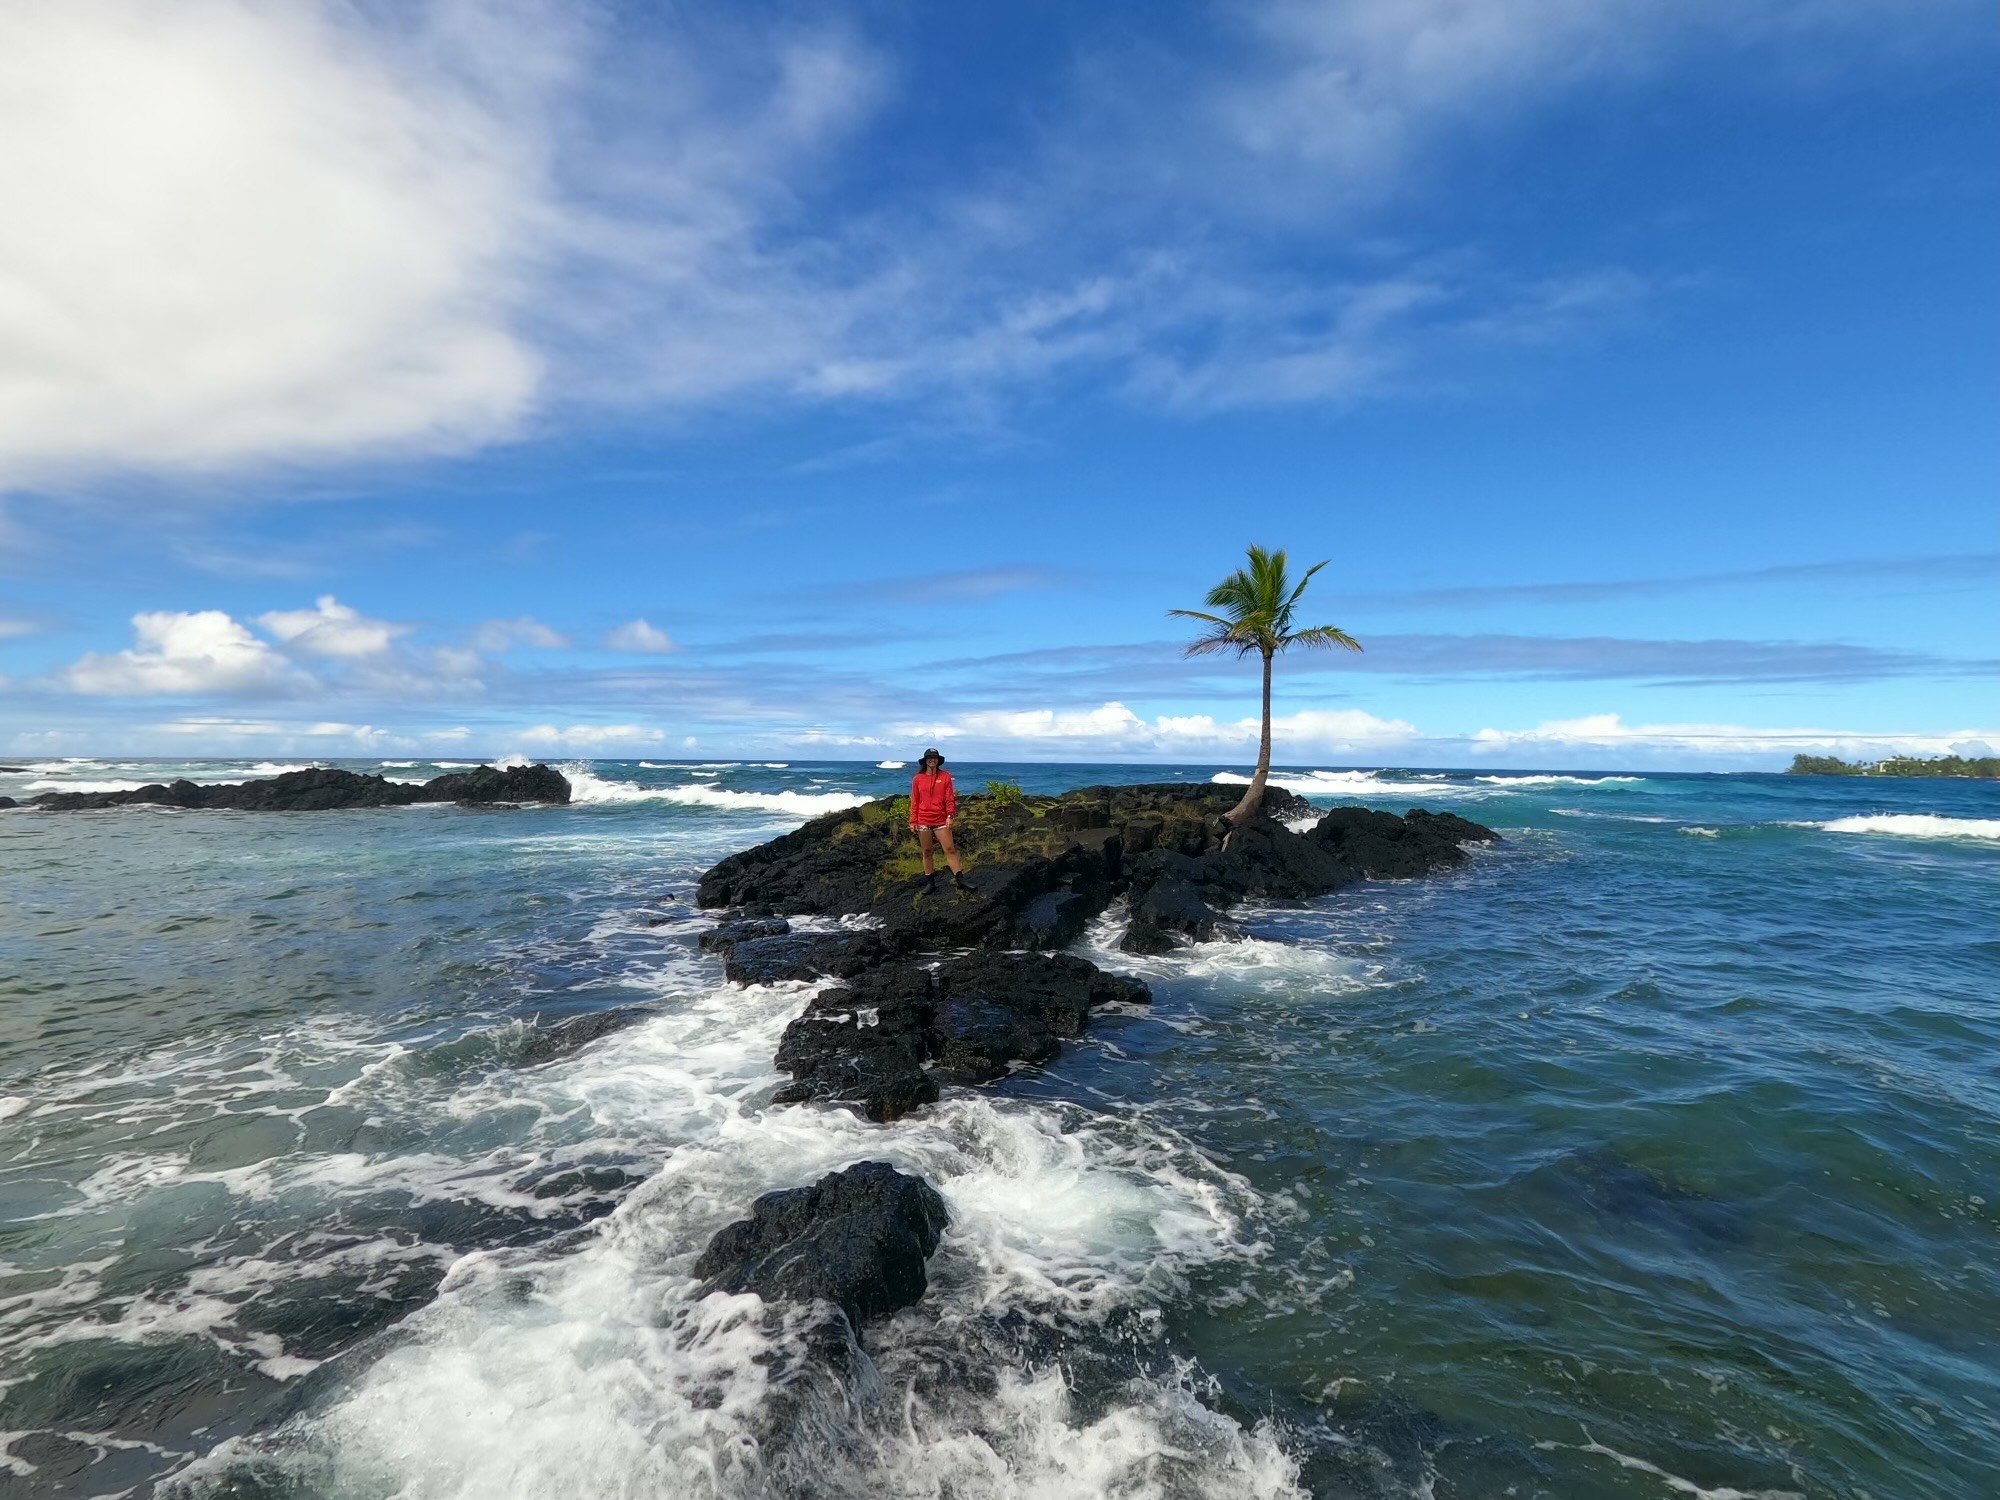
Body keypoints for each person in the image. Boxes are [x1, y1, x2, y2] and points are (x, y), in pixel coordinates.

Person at [909, 748, 973, 892]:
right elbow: (915, 801)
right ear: (925, 761)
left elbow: (950, 798)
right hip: (923, 820)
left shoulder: (945, 776)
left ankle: (961, 880)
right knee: (927, 851)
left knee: (950, 849)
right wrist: (913, 821)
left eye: (935, 758)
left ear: (938, 760)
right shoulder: (917, 778)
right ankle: (930, 883)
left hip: (941, 820)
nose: (932, 760)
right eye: (929, 758)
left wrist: (950, 816)